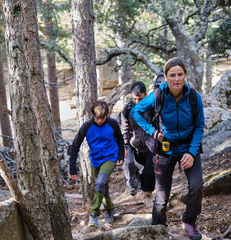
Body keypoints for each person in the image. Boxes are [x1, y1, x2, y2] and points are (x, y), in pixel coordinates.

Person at [131, 57, 205, 240]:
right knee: (162, 194)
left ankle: (189, 221)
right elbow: (136, 111)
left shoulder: (194, 97)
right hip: (165, 148)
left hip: (189, 147)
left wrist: (191, 152)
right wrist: (153, 132)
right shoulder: (158, 95)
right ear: (165, 77)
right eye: (172, 75)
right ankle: (159, 229)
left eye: (180, 74)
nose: (177, 79)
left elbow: (199, 126)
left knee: (197, 186)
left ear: (185, 75)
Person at [69, 101, 124, 227]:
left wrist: (120, 155)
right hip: (95, 160)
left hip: (110, 157)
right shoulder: (87, 126)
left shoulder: (112, 124)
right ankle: (110, 210)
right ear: (93, 115)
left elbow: (120, 139)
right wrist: (72, 169)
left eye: (103, 118)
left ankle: (93, 214)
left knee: (99, 183)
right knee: (102, 189)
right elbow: (75, 146)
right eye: (97, 118)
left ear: (107, 115)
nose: (100, 121)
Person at [120, 82, 155, 206]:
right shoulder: (127, 108)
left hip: (151, 143)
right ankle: (133, 186)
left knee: (149, 171)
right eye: (134, 98)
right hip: (134, 143)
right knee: (129, 164)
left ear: (146, 95)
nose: (137, 101)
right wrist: (125, 146)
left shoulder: (153, 107)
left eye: (140, 99)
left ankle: (147, 194)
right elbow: (124, 128)